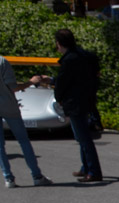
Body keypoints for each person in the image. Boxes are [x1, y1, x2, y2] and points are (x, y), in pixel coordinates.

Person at [32, 29, 102, 183]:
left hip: (74, 102)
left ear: (59, 43)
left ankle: (94, 171)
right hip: (87, 100)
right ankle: (86, 167)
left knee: (83, 138)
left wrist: (56, 93)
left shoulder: (69, 60)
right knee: (82, 136)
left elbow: (63, 83)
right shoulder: (85, 55)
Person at [1, 56, 52, 189]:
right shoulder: (2, 62)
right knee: (23, 140)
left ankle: (8, 178)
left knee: (0, 146)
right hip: (8, 106)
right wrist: (30, 82)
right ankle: (36, 176)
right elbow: (13, 87)